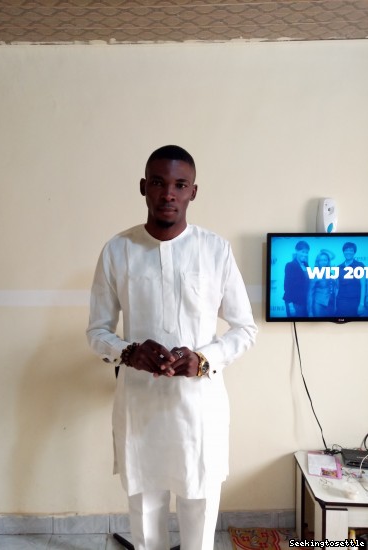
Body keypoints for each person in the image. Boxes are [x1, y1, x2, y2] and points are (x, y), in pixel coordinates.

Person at [86, 145, 257, 550]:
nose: (168, 194)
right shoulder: (118, 250)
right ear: (143, 187)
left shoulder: (215, 251)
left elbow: (244, 329)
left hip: (198, 409)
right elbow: (97, 331)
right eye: (158, 183)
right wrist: (129, 352)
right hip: (140, 407)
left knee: (200, 510)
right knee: (146, 518)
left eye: (180, 185)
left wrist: (204, 359)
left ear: (193, 192)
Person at [336, 242, 366, 317]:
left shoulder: (360, 265)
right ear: (343, 252)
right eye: (346, 250)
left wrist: (361, 304)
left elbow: (363, 286)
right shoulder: (339, 267)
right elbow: (337, 287)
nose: (348, 252)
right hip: (341, 301)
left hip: (355, 301)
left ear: (354, 252)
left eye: (351, 250)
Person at [283, 240, 310, 317]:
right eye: (302, 252)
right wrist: (291, 306)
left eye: (306, 252)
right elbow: (287, 286)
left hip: (305, 302)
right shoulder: (290, 265)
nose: (305, 254)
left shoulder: (306, 265)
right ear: (297, 251)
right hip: (294, 303)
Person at [307, 250, 336, 317]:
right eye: (321, 260)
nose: (323, 262)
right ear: (318, 262)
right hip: (318, 305)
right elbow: (310, 294)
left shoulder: (331, 274)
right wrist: (310, 311)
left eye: (325, 260)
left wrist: (335, 306)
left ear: (328, 261)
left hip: (330, 305)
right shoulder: (314, 274)